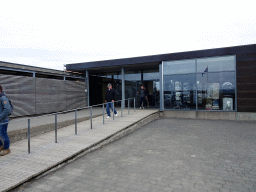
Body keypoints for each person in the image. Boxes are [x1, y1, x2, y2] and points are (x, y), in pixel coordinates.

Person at [0, 85, 12, 156]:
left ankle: (7, 149)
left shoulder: (3, 97)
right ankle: (1, 146)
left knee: (3, 135)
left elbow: (7, 109)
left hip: (3, 121)